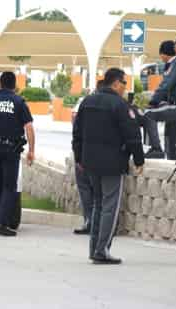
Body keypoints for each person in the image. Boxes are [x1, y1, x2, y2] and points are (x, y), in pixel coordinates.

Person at [72, 68, 144, 264]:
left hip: (90, 163)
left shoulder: (88, 101)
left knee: (97, 205)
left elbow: (76, 133)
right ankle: (102, 250)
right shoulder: (120, 105)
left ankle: (94, 248)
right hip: (113, 163)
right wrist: (139, 160)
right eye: (124, 84)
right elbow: (132, 135)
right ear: (115, 83)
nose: (125, 88)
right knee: (110, 207)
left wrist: (79, 158)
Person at [0, 72, 35, 237]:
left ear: (0, 84)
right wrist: (31, 150)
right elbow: (29, 127)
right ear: (14, 85)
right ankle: (1, 224)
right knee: (10, 187)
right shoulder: (18, 102)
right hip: (10, 150)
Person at [71, 80, 105, 235]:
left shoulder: (85, 103)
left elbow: (76, 131)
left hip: (85, 155)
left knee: (86, 190)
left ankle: (90, 221)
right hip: (106, 158)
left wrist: (78, 157)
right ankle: (99, 224)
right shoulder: (117, 104)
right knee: (102, 193)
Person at [141, 40, 176, 159]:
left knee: (148, 114)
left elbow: (165, 86)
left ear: (163, 54)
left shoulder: (174, 64)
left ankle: (156, 148)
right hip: (174, 103)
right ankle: (160, 149)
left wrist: (153, 102)